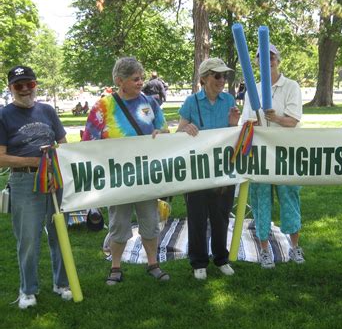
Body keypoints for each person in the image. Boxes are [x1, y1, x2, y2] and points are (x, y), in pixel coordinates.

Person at [82, 57, 170, 284]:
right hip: (117, 179)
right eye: (135, 79)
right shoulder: (103, 106)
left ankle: (153, 264)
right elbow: (88, 141)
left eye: (141, 77)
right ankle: (115, 267)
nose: (141, 82)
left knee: (150, 222)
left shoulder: (151, 104)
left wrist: (161, 134)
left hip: (146, 175)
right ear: (120, 81)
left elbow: (164, 130)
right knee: (118, 224)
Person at [0, 65, 72, 309]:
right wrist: (36, 162)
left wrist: (54, 159)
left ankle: (61, 283)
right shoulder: (3, 115)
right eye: (18, 86)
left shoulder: (47, 110)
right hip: (24, 181)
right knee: (28, 237)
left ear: (35, 85)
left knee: (59, 233)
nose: (24, 89)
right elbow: (1, 158)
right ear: (11, 88)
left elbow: (63, 143)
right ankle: (28, 290)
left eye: (29, 84)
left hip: (55, 179)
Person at [241, 44, 304, 269]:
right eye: (262, 58)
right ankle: (265, 250)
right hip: (260, 154)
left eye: (272, 57)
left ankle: (295, 246)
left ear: (278, 60)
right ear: (256, 63)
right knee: (261, 201)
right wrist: (253, 121)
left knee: (289, 198)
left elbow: (293, 121)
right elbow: (246, 123)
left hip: (285, 153)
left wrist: (274, 118)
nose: (268, 62)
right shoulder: (252, 90)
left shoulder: (291, 86)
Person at [177, 58, 240, 280]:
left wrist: (234, 123)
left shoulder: (229, 100)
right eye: (217, 75)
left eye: (224, 76)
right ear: (204, 78)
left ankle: (221, 258)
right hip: (196, 170)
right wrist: (186, 129)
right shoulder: (191, 102)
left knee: (221, 216)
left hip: (223, 170)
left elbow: (233, 135)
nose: (222, 80)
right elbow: (178, 133)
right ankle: (199, 262)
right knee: (197, 216)